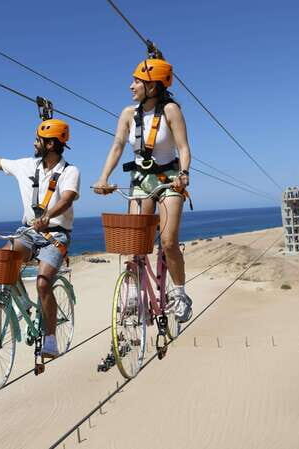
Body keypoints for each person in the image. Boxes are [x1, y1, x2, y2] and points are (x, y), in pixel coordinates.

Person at [0, 118, 80, 357]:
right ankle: (26, 304)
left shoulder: (69, 171)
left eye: (38, 139)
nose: (33, 142)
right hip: (29, 232)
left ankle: (50, 338)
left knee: (42, 283)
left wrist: (48, 217)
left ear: (50, 144)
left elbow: (67, 199)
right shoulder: (26, 165)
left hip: (55, 234)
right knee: (3, 260)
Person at [92, 56, 193, 323]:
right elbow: (117, 146)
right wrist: (103, 178)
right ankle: (135, 293)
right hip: (140, 180)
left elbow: (183, 148)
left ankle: (180, 293)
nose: (131, 86)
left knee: (168, 242)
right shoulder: (128, 114)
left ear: (154, 85)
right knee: (135, 245)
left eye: (137, 81)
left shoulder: (171, 110)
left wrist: (183, 174)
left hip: (168, 179)